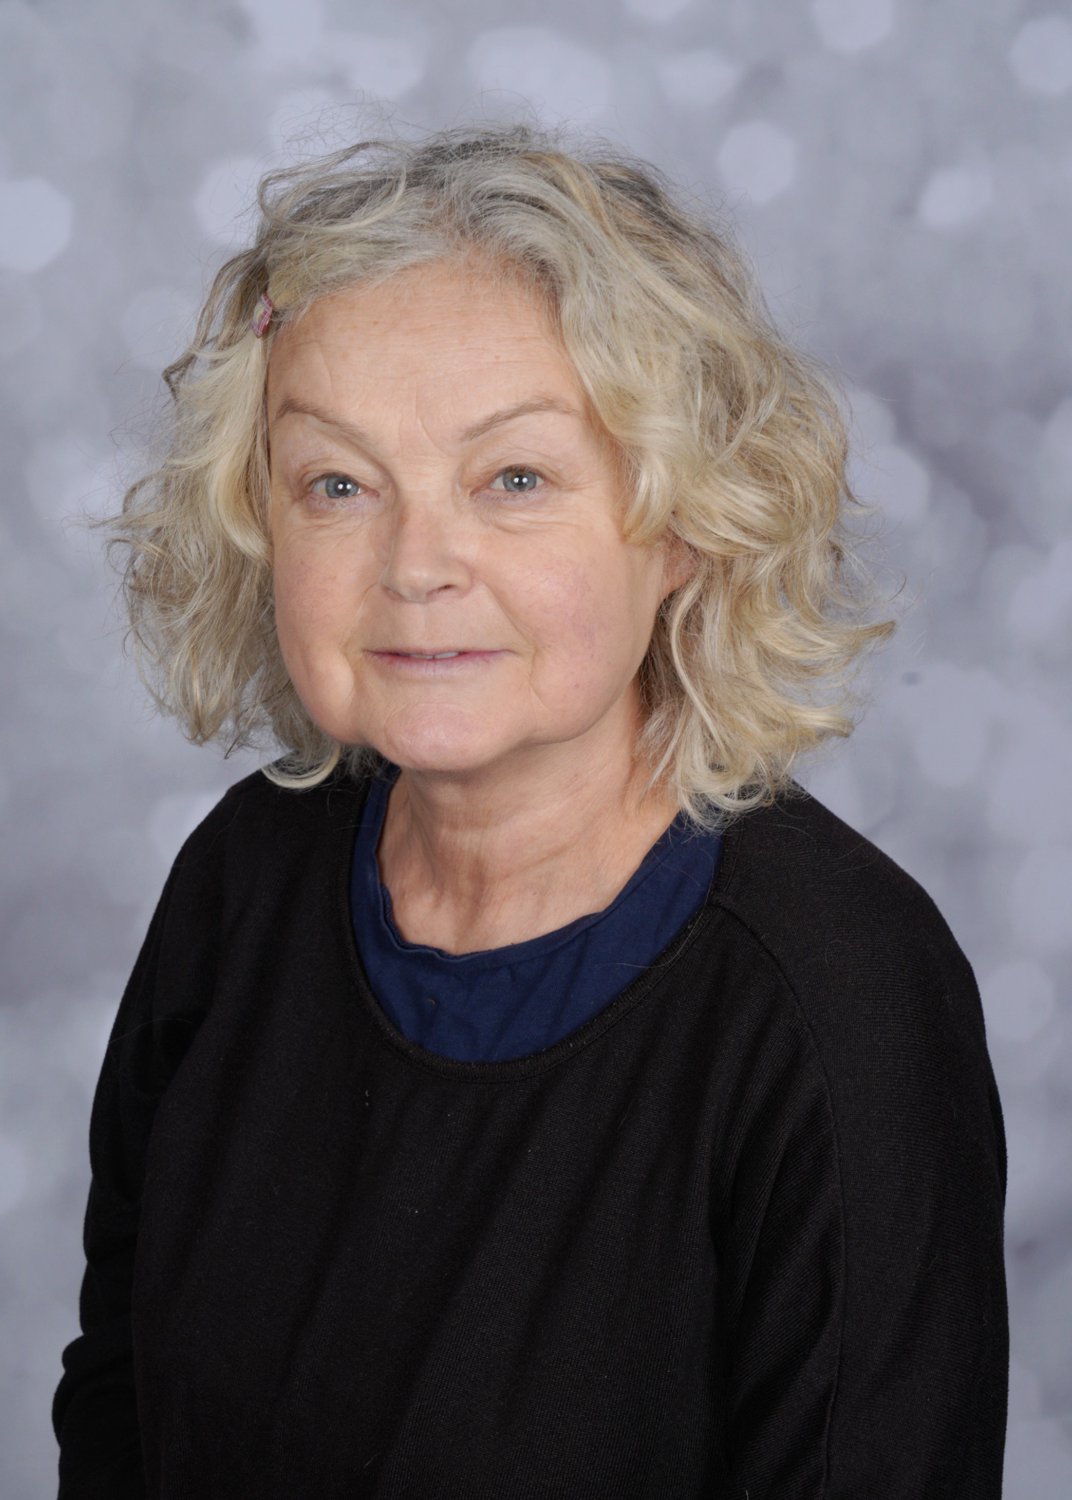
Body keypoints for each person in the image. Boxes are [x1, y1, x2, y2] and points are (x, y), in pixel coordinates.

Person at [51, 122, 1008, 1498]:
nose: (416, 565)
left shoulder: (837, 991)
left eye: (515, 479)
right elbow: (120, 1401)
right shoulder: (243, 877)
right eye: (338, 483)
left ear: (685, 524)